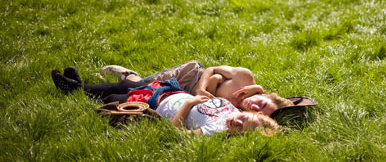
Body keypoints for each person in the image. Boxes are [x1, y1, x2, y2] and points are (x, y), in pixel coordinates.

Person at [51, 68, 279, 136]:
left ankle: (76, 89)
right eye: (243, 119)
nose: (237, 121)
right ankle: (78, 87)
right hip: (171, 91)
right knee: (127, 87)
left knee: (115, 98)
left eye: (240, 128)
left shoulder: (216, 130)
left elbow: (175, 133)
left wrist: (189, 105)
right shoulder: (232, 108)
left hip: (159, 104)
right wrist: (260, 91)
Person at [101, 62, 292, 116]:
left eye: (259, 111)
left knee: (142, 93)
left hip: (179, 95)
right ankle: (128, 75)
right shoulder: (245, 77)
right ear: (265, 94)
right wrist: (202, 89)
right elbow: (212, 70)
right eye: (261, 102)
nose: (255, 106)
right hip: (192, 76)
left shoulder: (242, 112)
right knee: (138, 85)